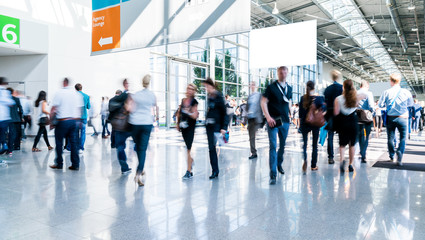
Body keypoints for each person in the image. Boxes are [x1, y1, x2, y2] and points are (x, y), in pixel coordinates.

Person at [261, 66, 293, 185]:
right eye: (280, 70)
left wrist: (290, 116)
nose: (282, 72)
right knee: (273, 146)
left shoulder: (289, 88)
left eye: (285, 70)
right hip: (273, 121)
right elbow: (263, 102)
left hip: (285, 121)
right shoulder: (271, 87)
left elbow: (287, 103)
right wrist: (268, 117)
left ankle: (279, 163)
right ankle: (273, 174)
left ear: (287, 72)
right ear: (278, 72)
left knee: (283, 145)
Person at [126, 75, 159, 186]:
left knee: (138, 147)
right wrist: (156, 118)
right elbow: (155, 106)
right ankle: (139, 172)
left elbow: (129, 109)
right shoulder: (152, 95)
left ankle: (141, 167)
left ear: (142, 82)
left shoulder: (136, 95)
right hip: (146, 123)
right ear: (149, 83)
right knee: (142, 149)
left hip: (135, 123)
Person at [378, 73, 414, 166]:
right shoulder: (406, 92)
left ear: (391, 81)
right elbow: (410, 105)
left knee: (390, 137)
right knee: (403, 138)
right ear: (399, 81)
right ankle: (400, 153)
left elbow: (380, 105)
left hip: (391, 118)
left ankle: (391, 155)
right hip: (403, 118)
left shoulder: (386, 92)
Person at [49, 78, 84, 171]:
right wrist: (79, 121)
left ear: (64, 83)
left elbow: (53, 109)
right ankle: (75, 164)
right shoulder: (76, 94)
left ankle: (59, 164)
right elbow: (80, 109)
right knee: (74, 144)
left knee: (59, 143)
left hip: (62, 121)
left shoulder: (59, 93)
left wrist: (51, 122)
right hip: (74, 122)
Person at [334, 79, 363, 173]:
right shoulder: (356, 98)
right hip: (353, 122)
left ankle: (342, 161)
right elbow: (358, 105)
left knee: (342, 144)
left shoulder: (338, 99)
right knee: (352, 144)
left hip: (342, 122)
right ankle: (350, 164)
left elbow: (336, 112)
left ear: (343, 87)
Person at [203, 78, 228, 180]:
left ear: (211, 86)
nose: (205, 88)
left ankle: (215, 170)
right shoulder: (209, 97)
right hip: (209, 126)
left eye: (206, 86)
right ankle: (215, 170)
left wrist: (224, 127)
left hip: (217, 126)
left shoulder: (218, 96)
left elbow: (224, 112)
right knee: (211, 148)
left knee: (213, 147)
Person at [299, 81, 325, 173]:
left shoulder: (302, 98)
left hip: (305, 123)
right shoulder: (318, 98)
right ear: (314, 88)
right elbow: (323, 110)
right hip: (315, 124)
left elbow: (300, 114)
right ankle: (313, 165)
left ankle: (305, 159)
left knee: (305, 144)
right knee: (314, 145)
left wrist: (300, 125)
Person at [176, 83, 199, 180]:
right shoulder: (183, 100)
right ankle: (191, 161)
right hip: (183, 127)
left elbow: (194, 115)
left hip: (190, 127)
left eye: (191, 89)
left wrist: (188, 112)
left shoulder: (194, 102)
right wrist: (177, 124)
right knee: (187, 147)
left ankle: (189, 171)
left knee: (188, 149)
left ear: (194, 91)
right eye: (188, 88)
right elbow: (179, 112)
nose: (189, 90)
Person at [109, 81, 131, 174]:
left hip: (117, 126)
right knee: (123, 146)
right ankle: (127, 168)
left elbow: (110, 112)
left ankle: (124, 168)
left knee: (120, 147)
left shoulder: (111, 101)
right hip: (126, 125)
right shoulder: (125, 98)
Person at [324, 70, 343, 164]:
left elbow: (325, 103)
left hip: (330, 114)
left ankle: (330, 157)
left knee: (330, 136)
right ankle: (341, 156)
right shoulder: (341, 88)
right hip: (339, 114)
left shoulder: (327, 89)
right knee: (341, 136)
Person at [357, 80, 374, 163]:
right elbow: (371, 106)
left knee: (360, 135)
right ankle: (363, 154)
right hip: (366, 117)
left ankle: (361, 151)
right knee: (366, 136)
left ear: (360, 86)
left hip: (357, 117)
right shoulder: (369, 93)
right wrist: (372, 112)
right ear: (367, 86)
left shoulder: (355, 93)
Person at [247, 81, 263, 160]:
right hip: (250, 118)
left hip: (257, 118)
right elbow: (247, 107)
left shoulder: (259, 95)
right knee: (251, 137)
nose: (252, 86)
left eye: (253, 85)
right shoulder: (250, 96)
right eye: (251, 85)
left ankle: (254, 152)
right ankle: (253, 152)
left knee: (253, 136)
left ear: (256, 86)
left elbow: (263, 106)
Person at [0, 78, 15, 162]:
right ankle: (4, 144)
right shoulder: (6, 92)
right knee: (3, 133)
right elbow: (11, 103)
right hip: (6, 118)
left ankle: (3, 144)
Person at [7, 88, 23, 153]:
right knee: (17, 133)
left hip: (9, 119)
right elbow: (21, 109)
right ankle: (17, 146)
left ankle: (10, 147)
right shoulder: (17, 99)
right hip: (17, 119)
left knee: (11, 133)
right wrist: (21, 117)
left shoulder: (6, 100)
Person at [75, 83, 91, 151]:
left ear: (75, 89)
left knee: (75, 132)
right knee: (83, 132)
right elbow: (88, 107)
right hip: (84, 116)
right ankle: (81, 148)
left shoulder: (74, 96)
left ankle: (75, 147)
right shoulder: (86, 96)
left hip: (76, 117)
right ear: (82, 88)